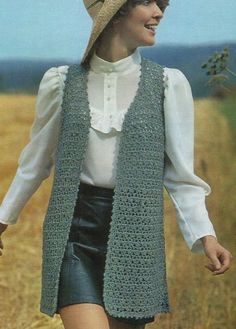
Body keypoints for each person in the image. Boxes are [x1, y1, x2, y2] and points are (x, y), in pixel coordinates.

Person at [0, 1, 233, 329]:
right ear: (116, 13)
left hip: (136, 237)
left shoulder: (168, 85)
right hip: (74, 232)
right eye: (149, 2)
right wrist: (2, 219)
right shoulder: (61, 83)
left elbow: (180, 177)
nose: (159, 13)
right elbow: (34, 162)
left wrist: (206, 235)